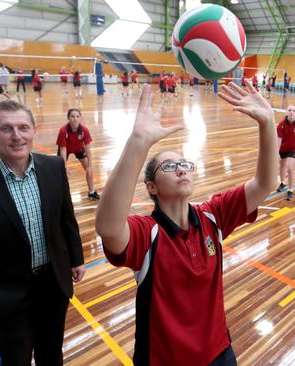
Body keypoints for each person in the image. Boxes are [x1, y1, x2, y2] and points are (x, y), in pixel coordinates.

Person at [95, 81, 277, 365]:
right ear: (152, 187)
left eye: (184, 164)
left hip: (218, 352)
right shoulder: (147, 233)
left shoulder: (212, 216)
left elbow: (266, 183)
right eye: (168, 166)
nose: (181, 168)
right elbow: (108, 227)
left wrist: (268, 124)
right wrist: (138, 142)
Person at [0, 100, 86, 365]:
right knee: (16, 358)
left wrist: (76, 258)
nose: (17, 136)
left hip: (53, 285)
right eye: (6, 129)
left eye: (23, 127)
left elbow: (67, 218)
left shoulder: (54, 167)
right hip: (6, 294)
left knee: (51, 353)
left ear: (34, 129)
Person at [56, 108, 100, 200]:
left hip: (78, 148)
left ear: (80, 118)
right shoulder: (63, 131)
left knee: (89, 170)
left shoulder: (84, 130)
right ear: (68, 118)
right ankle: (62, 196)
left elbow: (88, 149)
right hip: (66, 150)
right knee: (61, 173)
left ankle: (91, 192)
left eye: (77, 116)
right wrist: (64, 167)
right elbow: (63, 151)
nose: (75, 119)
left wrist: (90, 166)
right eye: (72, 116)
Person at [276, 105, 295, 200]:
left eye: (293, 110)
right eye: (289, 110)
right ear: (286, 112)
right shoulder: (281, 124)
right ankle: (282, 183)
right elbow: (279, 140)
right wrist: (276, 152)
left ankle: (290, 190)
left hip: (293, 149)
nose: (291, 112)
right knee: (282, 167)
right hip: (282, 149)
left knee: (290, 168)